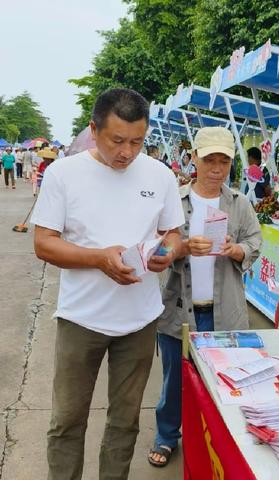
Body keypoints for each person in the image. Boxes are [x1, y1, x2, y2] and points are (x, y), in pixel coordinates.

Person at [31, 88, 185, 480]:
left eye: (137, 141)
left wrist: (164, 253)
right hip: (81, 319)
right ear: (93, 129)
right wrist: (99, 258)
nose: (127, 152)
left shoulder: (160, 175)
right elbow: (44, 243)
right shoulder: (64, 174)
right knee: (67, 420)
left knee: (125, 421)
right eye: (117, 140)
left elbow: (172, 235)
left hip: (139, 321)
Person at [149, 127, 262, 468]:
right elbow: (156, 249)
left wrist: (236, 249)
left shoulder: (239, 203)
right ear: (194, 158)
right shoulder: (175, 202)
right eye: (209, 159)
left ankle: (220, 434)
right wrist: (181, 248)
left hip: (223, 308)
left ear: (231, 163)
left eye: (223, 161)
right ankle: (167, 436)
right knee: (175, 379)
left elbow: (255, 242)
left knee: (226, 376)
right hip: (179, 308)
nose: (216, 168)